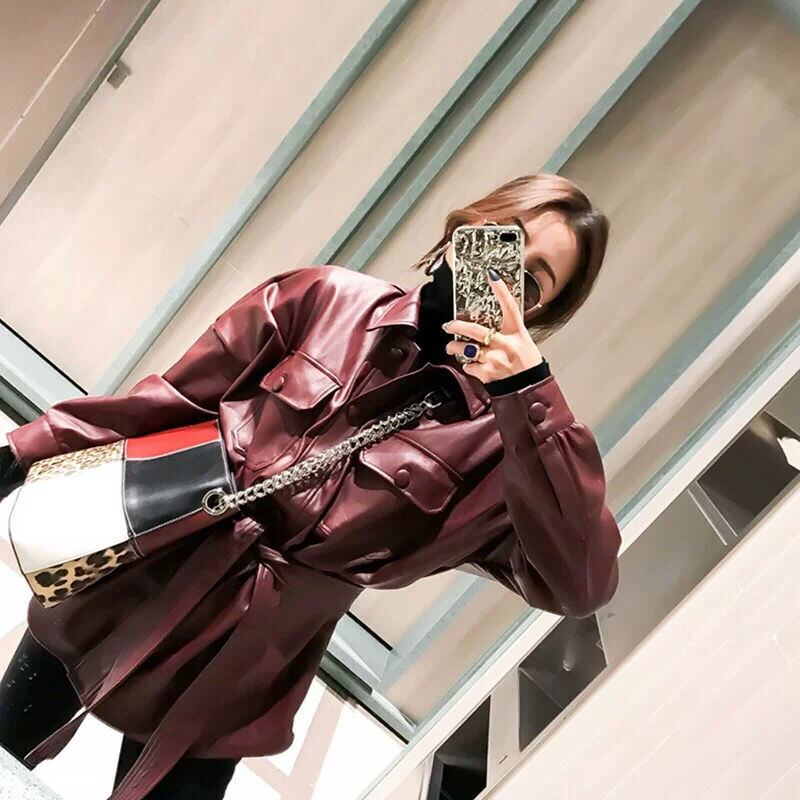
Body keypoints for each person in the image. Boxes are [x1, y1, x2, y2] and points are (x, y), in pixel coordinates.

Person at [0, 173, 621, 800]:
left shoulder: (503, 449)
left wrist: (531, 397)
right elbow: (168, 402)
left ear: (538, 315)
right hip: (134, 582)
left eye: (530, 282)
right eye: (504, 241)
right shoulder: (327, 299)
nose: (500, 280)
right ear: (468, 227)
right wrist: (23, 451)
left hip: (242, 673)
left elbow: (580, 584)